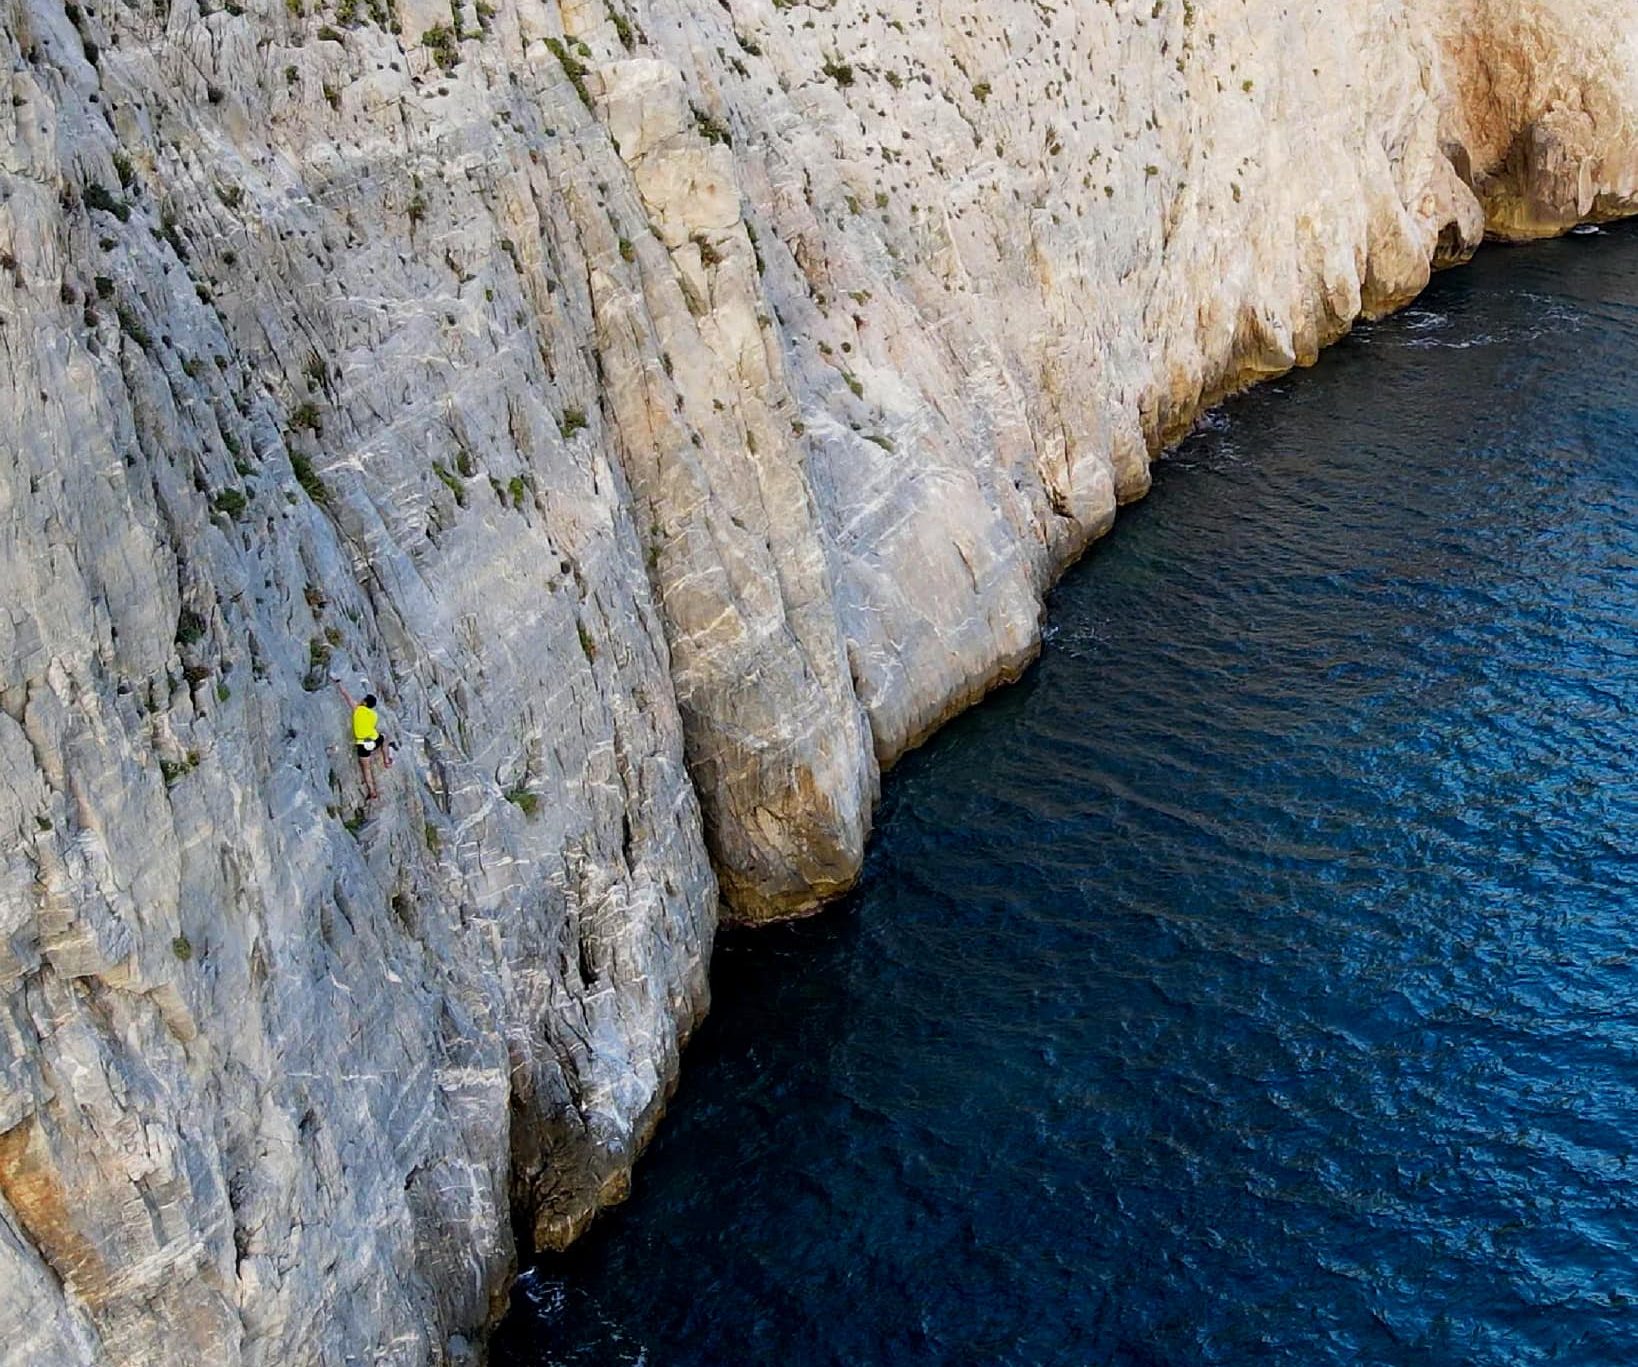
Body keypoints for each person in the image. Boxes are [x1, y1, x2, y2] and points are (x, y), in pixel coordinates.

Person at [335, 680, 393, 800]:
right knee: (384, 738)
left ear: (365, 702)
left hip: (362, 743)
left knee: (366, 769)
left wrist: (339, 684)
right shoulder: (374, 715)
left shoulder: (357, 709)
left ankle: (372, 792)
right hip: (373, 740)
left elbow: (346, 695)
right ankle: (386, 760)